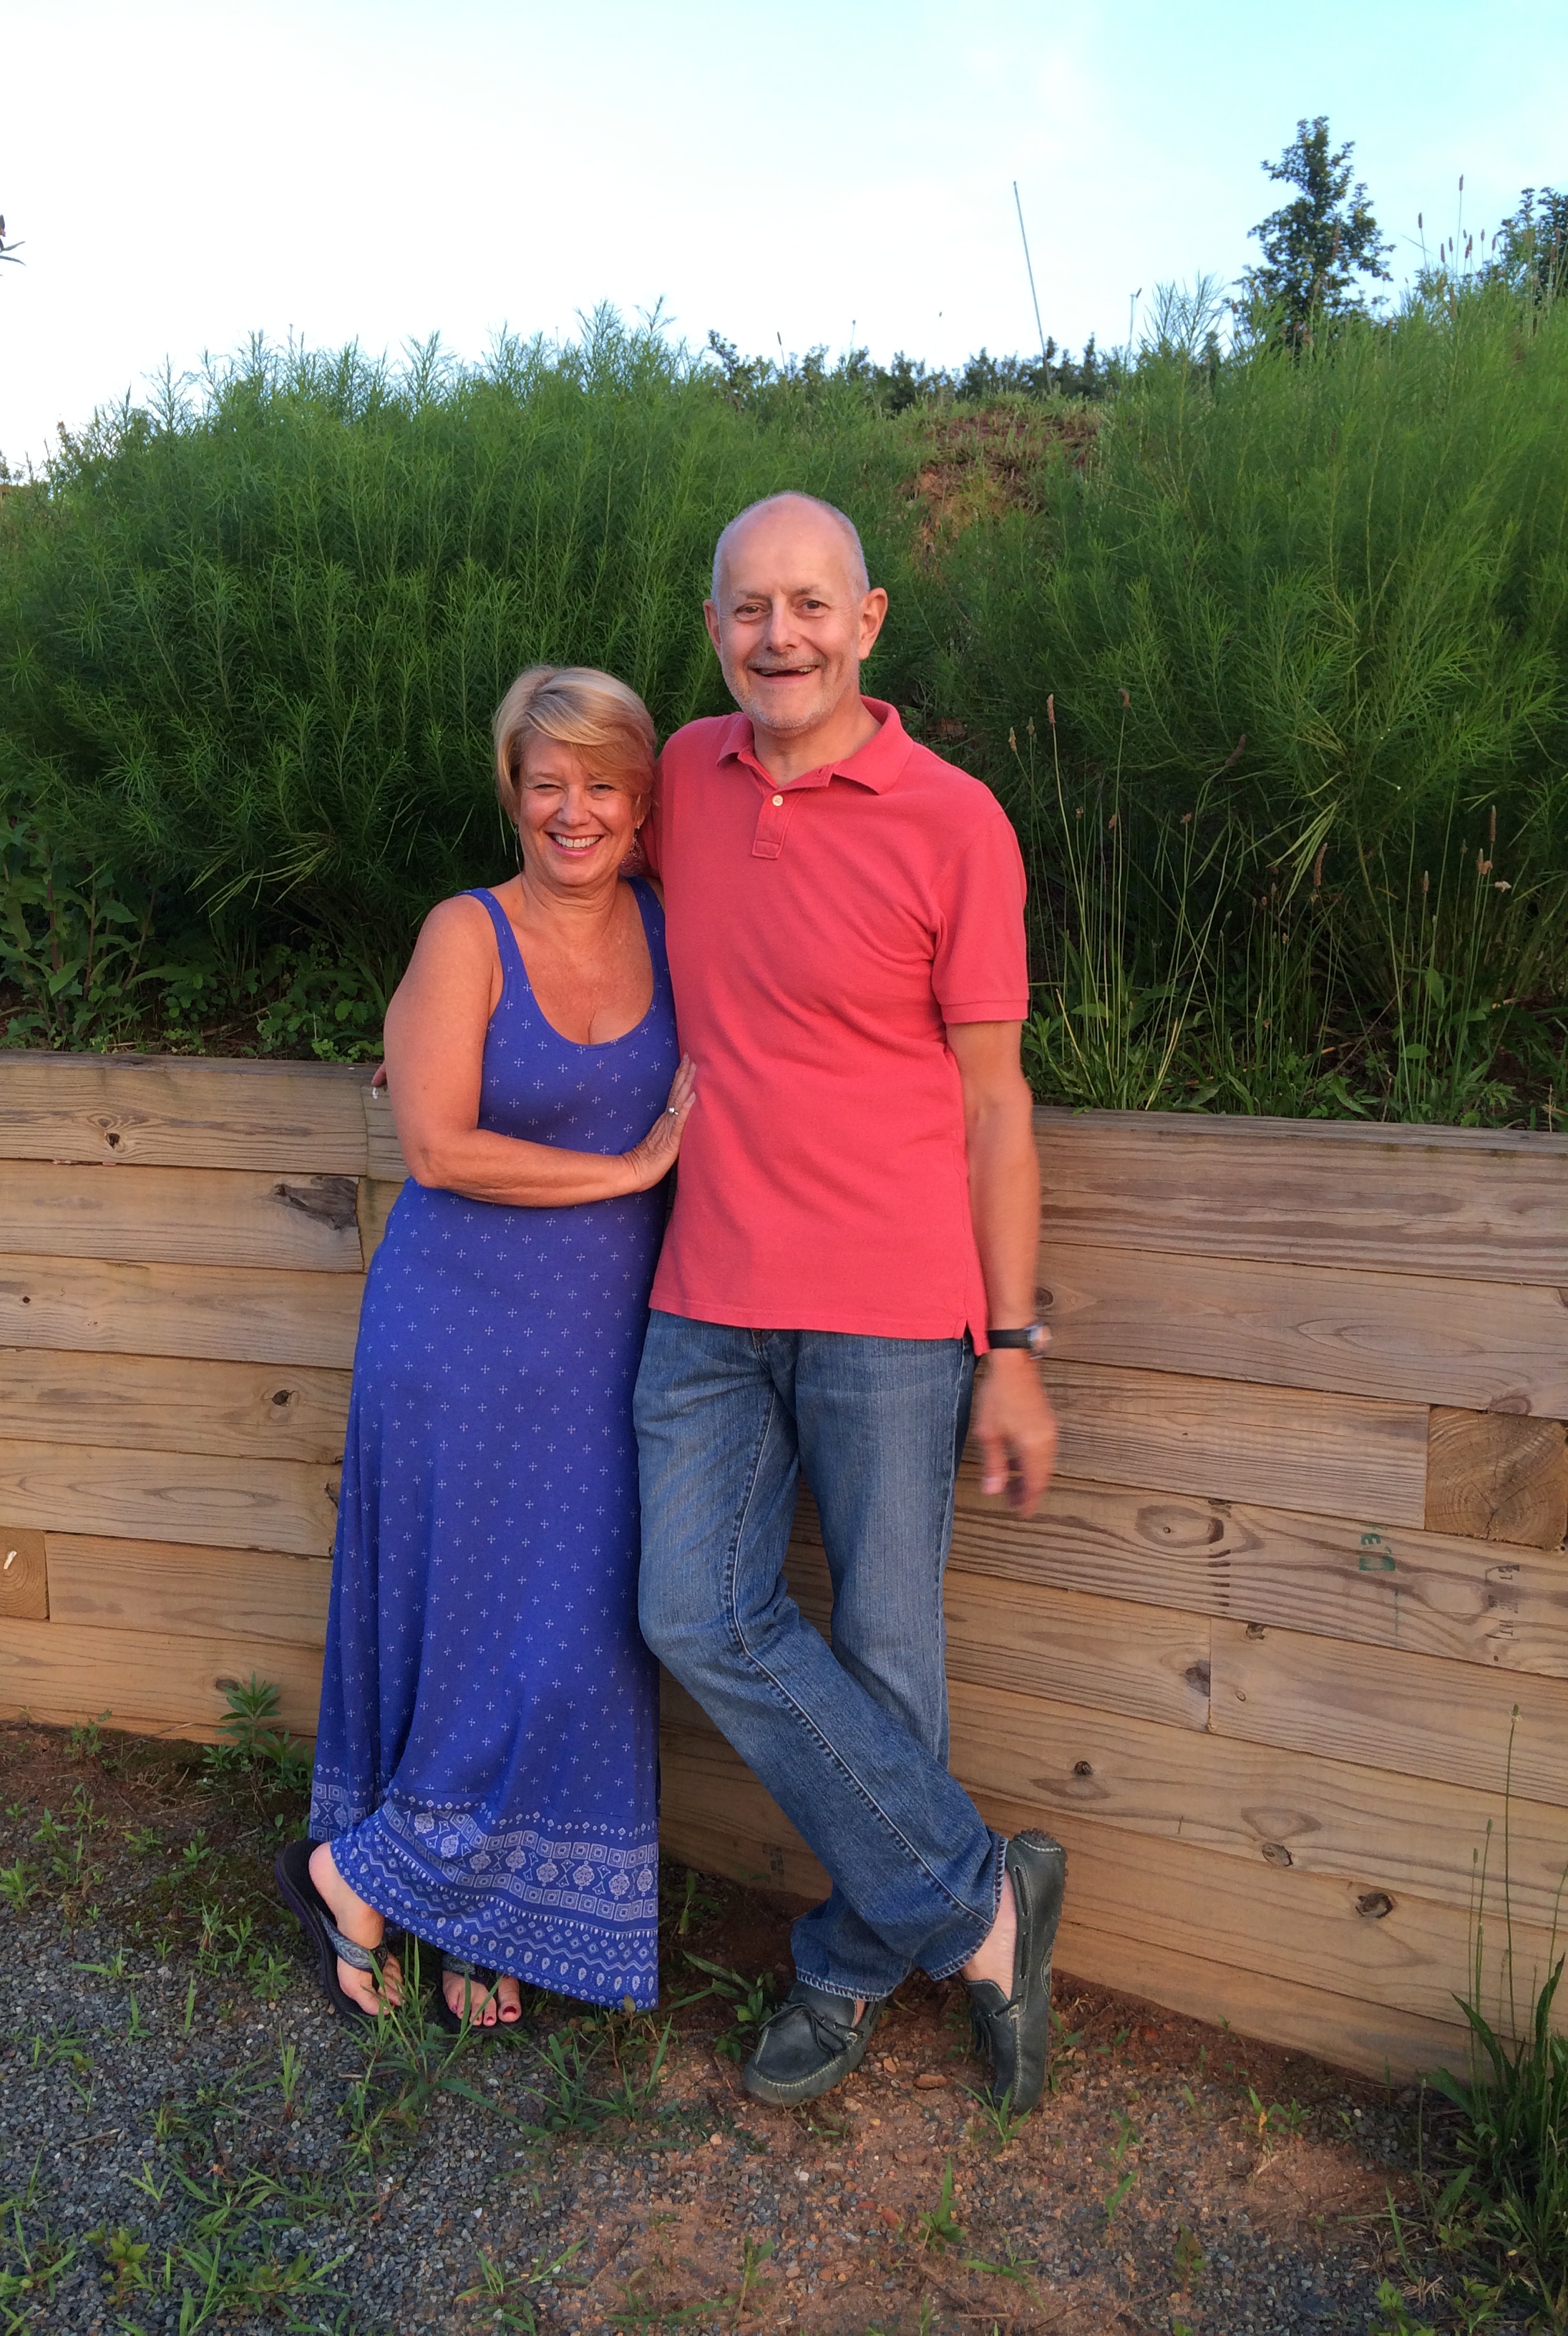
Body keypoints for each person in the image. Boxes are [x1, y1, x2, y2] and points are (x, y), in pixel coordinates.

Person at [634, 492, 1064, 2110]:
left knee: (886, 1651)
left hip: (891, 1304)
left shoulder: (956, 820)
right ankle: (981, 1900)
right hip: (705, 1292)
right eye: (750, 608)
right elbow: (566, 869)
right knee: (690, 1609)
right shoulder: (682, 775)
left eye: (811, 605)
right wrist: (454, 1018)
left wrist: (1010, 1348)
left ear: (868, 621)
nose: (781, 636)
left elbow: (996, 1104)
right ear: (714, 628)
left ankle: (849, 1963)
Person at [278, 666, 693, 2031]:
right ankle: (383, 1884)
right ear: (512, 793)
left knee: (574, 1638)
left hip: (601, 1351)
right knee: (466, 1630)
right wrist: (627, 1170)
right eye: (547, 783)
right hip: (456, 1336)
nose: (576, 811)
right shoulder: (466, 933)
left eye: (604, 785)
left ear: (642, 799)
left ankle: (428, 1887)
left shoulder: (675, 924)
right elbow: (441, 1146)